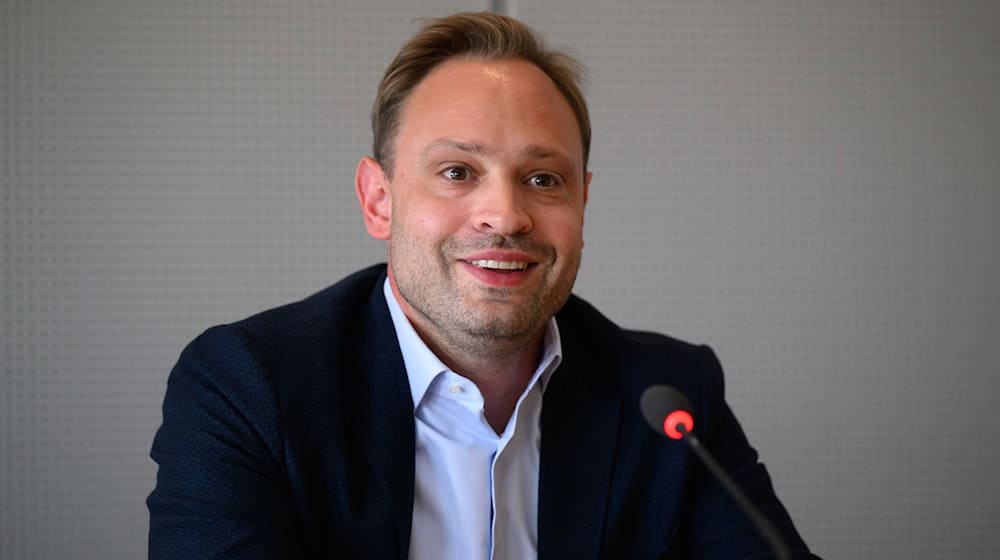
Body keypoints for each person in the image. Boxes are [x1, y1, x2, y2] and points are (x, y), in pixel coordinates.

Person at [148, 12, 819, 560]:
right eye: (457, 172)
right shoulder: (247, 387)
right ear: (379, 200)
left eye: (542, 179)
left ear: (582, 205)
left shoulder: (668, 394)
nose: (506, 215)